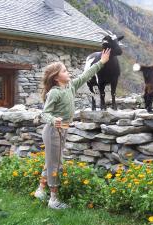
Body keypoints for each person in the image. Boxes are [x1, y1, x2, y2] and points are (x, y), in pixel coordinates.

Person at [34, 48, 111, 209]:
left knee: (51, 161)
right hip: (53, 131)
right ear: (56, 78)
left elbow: (86, 75)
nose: (68, 72)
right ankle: (53, 199)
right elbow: (44, 114)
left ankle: (41, 190)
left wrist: (101, 62)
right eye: (64, 71)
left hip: (62, 130)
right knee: (56, 164)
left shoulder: (70, 87)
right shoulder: (54, 93)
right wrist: (53, 119)